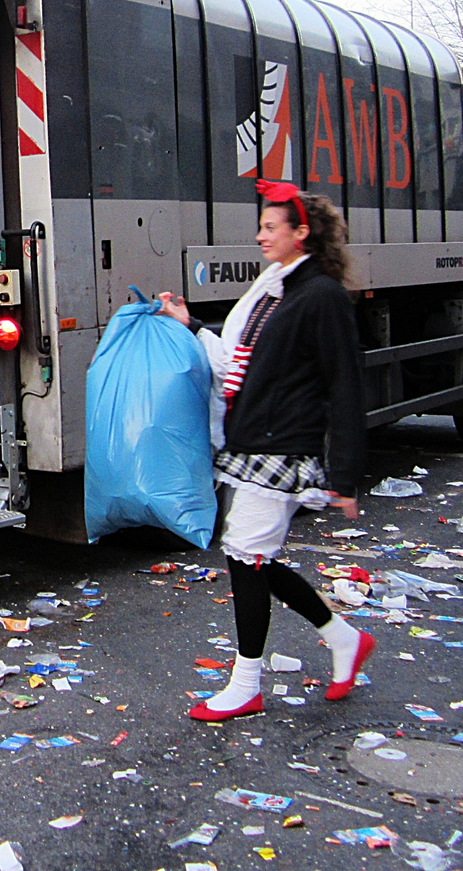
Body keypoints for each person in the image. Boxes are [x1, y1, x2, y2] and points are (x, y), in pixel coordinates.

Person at [158, 180, 370, 723]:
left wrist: (345, 477)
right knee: (252, 558)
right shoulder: (276, 289)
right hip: (255, 442)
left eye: (271, 227)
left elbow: (346, 385)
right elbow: (244, 359)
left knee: (246, 557)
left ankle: (247, 683)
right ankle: (342, 638)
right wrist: (192, 325)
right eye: (262, 226)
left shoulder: (319, 295)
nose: (260, 236)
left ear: (302, 233)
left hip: (283, 449)